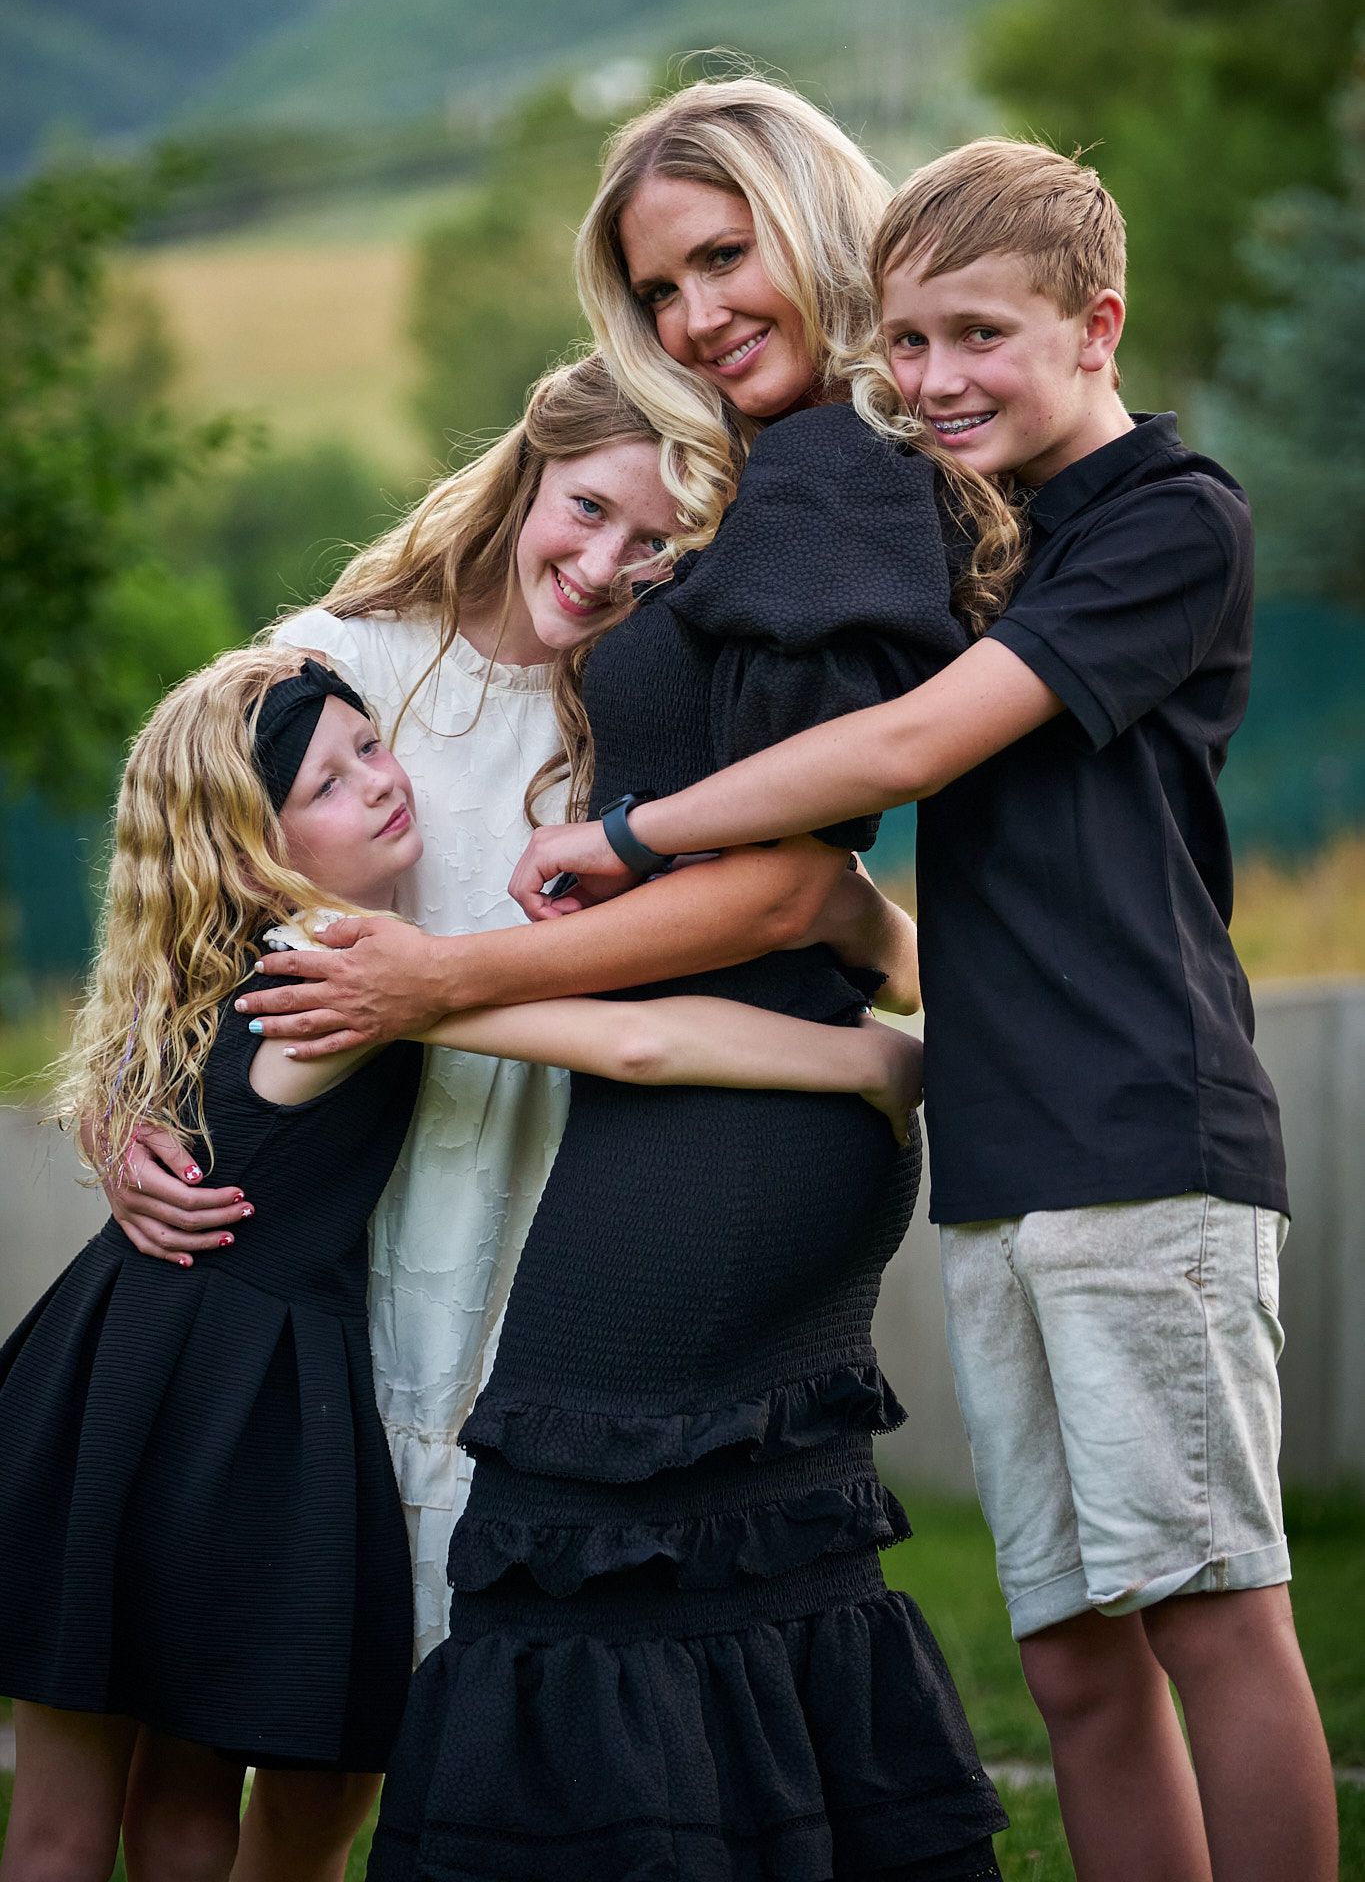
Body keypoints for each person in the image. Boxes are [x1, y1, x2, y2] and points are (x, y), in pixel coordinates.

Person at [507, 139, 1338, 1882]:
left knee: (1207, 1614)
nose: (940, 380)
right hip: (1001, 1143)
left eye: (981, 336)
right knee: (1070, 1655)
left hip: (1141, 1131)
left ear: (1096, 325)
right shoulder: (1000, 531)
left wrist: (633, 828)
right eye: (911, 344)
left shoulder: (1172, 519)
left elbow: (903, 747)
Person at [343, 79, 1009, 1878]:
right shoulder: (780, 477)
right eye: (658, 290)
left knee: (573, 1535)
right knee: (734, 1567)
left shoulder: (827, 489)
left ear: (815, 226)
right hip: (757, 1110)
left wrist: (452, 970)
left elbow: (789, 876)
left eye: (726, 256)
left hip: (725, 1127)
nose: (699, 315)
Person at [0, 645, 926, 1882]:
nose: (381, 781)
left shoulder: (210, 973)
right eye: (328, 783)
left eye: (370, 744)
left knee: (101, 1806)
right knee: (150, 1810)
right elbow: (637, 1043)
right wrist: (868, 1063)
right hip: (217, 1406)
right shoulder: (338, 971)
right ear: (248, 847)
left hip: (124, 1381)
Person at [99, 353, 916, 1677]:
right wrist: (118, 1103)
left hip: (572, 1172)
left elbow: (813, 901)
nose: (603, 567)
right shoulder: (352, 665)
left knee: (485, 1655)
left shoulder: (647, 716)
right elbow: (174, 881)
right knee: (317, 1693)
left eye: (659, 548)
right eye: (587, 507)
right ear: (531, 462)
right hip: (358, 1193)